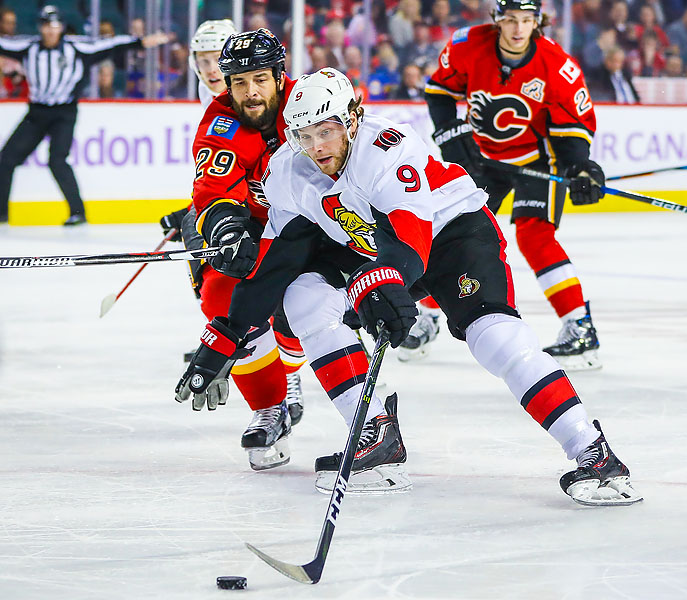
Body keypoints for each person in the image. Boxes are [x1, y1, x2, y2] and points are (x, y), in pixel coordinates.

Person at [176, 68, 642, 506]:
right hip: (371, 244)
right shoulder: (288, 170)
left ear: (353, 118)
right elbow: (277, 263)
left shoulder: (387, 146)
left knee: (494, 339)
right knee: (302, 296)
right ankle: (375, 435)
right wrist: (226, 335)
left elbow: (410, 238)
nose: (316, 146)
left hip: (450, 234)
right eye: (304, 135)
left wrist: (380, 284)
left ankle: (593, 452)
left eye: (327, 130)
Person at [425, 0, 607, 371]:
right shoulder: (467, 45)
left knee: (534, 236)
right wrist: (449, 132)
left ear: (537, 22)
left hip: (536, 162)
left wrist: (579, 166)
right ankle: (426, 317)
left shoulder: (557, 66)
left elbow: (573, 127)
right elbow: (439, 91)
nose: (518, 29)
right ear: (497, 20)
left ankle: (580, 326)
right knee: (446, 233)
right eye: (510, 20)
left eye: (527, 20)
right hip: (483, 160)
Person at [169, 29, 311, 472]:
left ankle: (288, 367)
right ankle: (269, 406)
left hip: (318, 223)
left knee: (297, 309)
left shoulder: (311, 105)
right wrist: (227, 227)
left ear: (280, 77)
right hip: (255, 223)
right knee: (219, 296)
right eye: (239, 82)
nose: (250, 93)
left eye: (260, 81)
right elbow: (212, 192)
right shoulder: (220, 123)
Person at [0, 6, 168, 225]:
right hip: (37, 112)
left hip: (64, 112)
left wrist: (140, 42)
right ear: (40, 27)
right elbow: (4, 44)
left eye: (54, 25)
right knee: (6, 159)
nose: (50, 31)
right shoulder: (28, 48)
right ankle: (2, 213)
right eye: (46, 26)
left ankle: (78, 212)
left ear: (61, 27)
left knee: (57, 160)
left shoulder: (76, 48)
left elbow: (109, 44)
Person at [188, 19, 236, 109]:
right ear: (195, 64)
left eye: (219, 60)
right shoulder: (204, 89)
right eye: (204, 61)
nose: (211, 70)